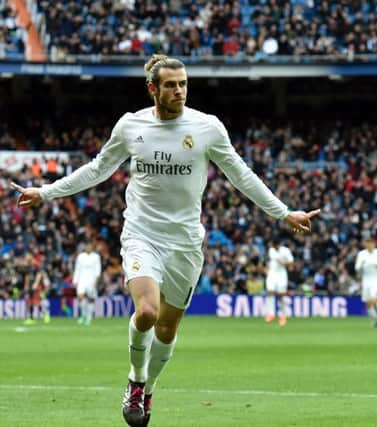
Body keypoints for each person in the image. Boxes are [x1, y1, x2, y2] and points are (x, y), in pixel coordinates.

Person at [10, 54, 321, 427]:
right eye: (171, 84)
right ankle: (135, 381)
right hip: (142, 233)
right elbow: (97, 169)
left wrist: (283, 212)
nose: (179, 91)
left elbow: (241, 174)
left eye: (184, 83)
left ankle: (148, 386)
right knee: (147, 312)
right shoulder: (130, 126)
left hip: (186, 244)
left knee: (167, 329)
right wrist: (45, 192)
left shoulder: (207, 128)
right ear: (152, 88)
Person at [355, 233, 377, 328]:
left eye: (370, 242)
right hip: (366, 281)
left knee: (373, 299)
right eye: (367, 242)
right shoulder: (361, 254)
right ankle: (375, 319)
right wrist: (361, 265)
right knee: (368, 302)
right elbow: (357, 267)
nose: (369, 244)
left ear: (374, 243)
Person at [264, 237, 294, 326]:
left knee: (281, 295)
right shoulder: (271, 250)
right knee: (270, 292)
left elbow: (291, 262)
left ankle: (283, 316)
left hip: (281, 274)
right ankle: (271, 314)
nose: (273, 247)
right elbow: (283, 261)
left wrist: (285, 262)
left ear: (278, 244)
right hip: (272, 273)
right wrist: (285, 262)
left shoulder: (285, 250)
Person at [73, 241, 102, 326]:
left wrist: (96, 281)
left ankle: (89, 318)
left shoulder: (96, 257)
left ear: (92, 248)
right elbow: (77, 269)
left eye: (90, 246)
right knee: (80, 296)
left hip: (91, 280)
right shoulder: (80, 256)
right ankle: (83, 315)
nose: (88, 248)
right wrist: (75, 280)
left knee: (90, 298)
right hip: (81, 279)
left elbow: (98, 270)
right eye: (87, 246)